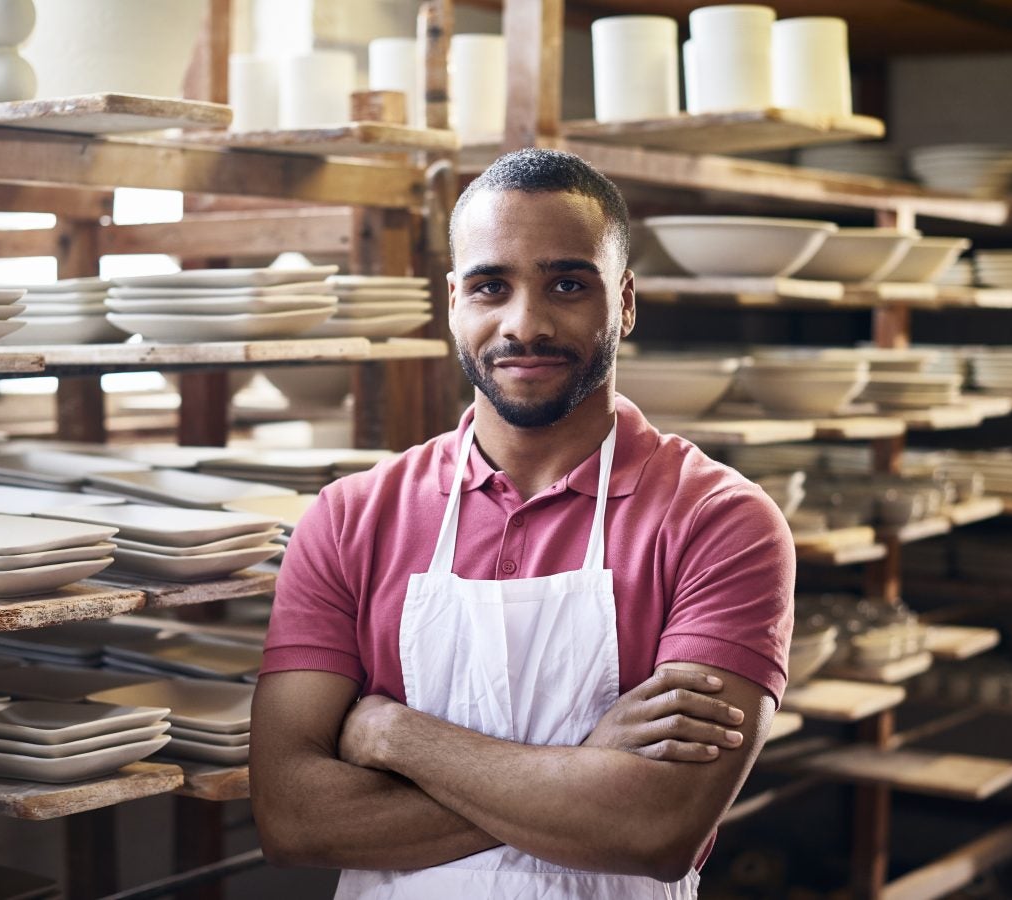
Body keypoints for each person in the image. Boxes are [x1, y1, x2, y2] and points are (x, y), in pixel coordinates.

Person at [251, 147, 795, 900]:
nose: (525, 324)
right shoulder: (351, 518)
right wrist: (583, 768)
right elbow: (292, 819)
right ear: (452, 302)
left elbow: (653, 831)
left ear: (626, 302)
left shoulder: (720, 522)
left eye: (567, 284)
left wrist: (395, 736)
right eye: (490, 286)